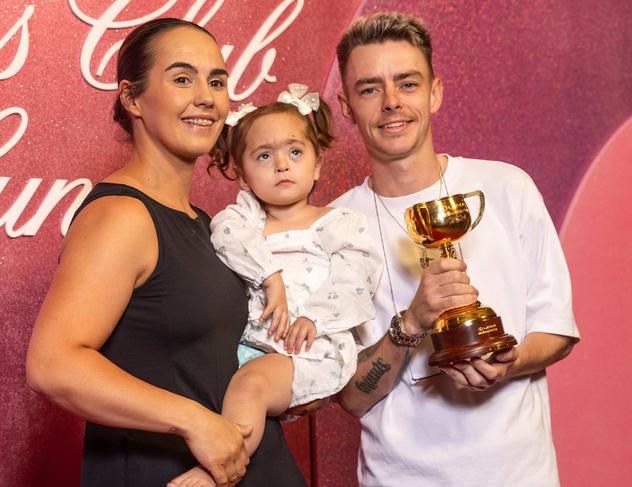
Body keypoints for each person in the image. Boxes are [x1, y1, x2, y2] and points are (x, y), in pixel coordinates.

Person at [25, 18, 305, 487]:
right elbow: (53, 364)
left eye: (217, 81)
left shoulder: (204, 222)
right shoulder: (122, 216)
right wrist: (194, 420)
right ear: (132, 98)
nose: (207, 97)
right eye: (182, 78)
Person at [331, 12, 581, 486]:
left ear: (435, 92)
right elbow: (353, 397)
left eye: (407, 83)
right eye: (369, 89)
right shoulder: (335, 228)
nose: (391, 103)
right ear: (346, 107)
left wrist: (509, 363)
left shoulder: (505, 187)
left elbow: (557, 328)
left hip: (518, 475)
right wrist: (412, 322)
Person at [170, 89, 383, 487]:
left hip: (309, 348)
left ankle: (218, 469)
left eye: (295, 153)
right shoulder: (243, 220)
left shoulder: (336, 223)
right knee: (199, 383)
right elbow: (225, 235)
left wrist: (314, 319)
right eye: (263, 156)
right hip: (252, 342)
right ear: (244, 174)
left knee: (249, 386)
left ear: (318, 165)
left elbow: (355, 277)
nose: (281, 165)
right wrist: (272, 278)